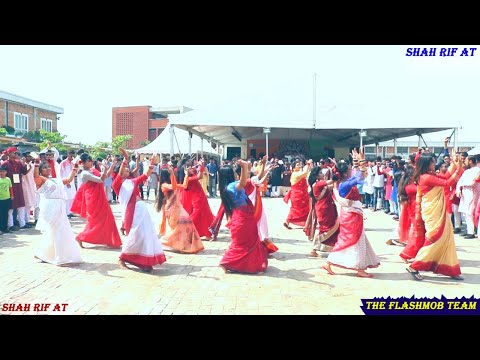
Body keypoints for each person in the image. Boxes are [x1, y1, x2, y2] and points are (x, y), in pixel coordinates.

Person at [322, 149, 380, 278]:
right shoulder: (344, 185)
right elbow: (360, 177)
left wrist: (357, 161)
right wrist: (362, 161)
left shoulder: (344, 182)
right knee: (353, 240)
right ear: (345, 172)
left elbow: (358, 175)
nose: (351, 170)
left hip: (352, 214)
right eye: (349, 169)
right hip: (351, 216)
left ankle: (332, 263)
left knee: (355, 240)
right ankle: (358, 269)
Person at [406, 152, 463, 281]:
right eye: (432, 162)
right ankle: (414, 266)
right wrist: (458, 168)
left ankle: (450, 269)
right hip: (433, 213)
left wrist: (454, 164)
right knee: (434, 238)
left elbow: (446, 176)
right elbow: (448, 182)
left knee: (446, 238)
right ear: (427, 164)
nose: (434, 164)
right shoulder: (426, 177)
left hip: (437, 212)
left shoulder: (429, 175)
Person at [112, 149, 166, 273]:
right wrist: (125, 159)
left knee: (145, 234)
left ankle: (141, 259)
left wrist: (152, 163)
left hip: (141, 210)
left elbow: (146, 175)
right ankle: (123, 258)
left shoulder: (132, 181)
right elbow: (120, 174)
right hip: (132, 212)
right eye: (125, 170)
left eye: (127, 169)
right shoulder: (117, 184)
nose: (127, 171)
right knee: (134, 234)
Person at [218, 160, 268, 274]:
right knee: (246, 242)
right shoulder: (231, 187)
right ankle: (227, 261)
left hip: (243, 217)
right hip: (242, 219)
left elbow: (248, 180)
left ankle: (229, 262)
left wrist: (248, 168)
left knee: (246, 242)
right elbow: (243, 183)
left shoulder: (228, 187)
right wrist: (244, 167)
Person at [32, 159, 82, 266]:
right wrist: (36, 164)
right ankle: (59, 257)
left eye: (48, 167)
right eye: (44, 167)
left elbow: (68, 180)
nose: (48, 169)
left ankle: (43, 253)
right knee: (56, 230)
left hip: (60, 206)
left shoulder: (55, 179)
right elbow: (35, 176)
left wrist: (75, 168)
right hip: (49, 206)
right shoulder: (41, 179)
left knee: (57, 230)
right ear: (40, 170)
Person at [70, 153, 122, 249]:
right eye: (88, 161)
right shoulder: (84, 173)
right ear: (83, 162)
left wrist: (112, 166)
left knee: (107, 218)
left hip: (100, 198)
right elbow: (100, 180)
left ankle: (108, 239)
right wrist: (105, 169)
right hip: (92, 199)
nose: (90, 162)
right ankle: (81, 237)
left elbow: (106, 176)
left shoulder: (92, 170)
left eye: (91, 161)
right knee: (95, 222)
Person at [156, 166, 204, 254]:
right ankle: (165, 242)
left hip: (178, 208)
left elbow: (184, 186)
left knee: (188, 224)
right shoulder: (164, 185)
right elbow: (174, 187)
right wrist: (172, 175)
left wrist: (186, 175)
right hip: (172, 209)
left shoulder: (172, 183)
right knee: (179, 228)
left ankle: (186, 245)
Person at [304, 166, 339, 257]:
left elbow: (331, 185)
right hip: (324, 210)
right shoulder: (318, 184)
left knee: (331, 228)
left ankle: (333, 248)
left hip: (327, 208)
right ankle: (314, 248)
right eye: (320, 173)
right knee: (325, 229)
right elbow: (331, 181)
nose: (322, 174)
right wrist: (338, 173)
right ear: (316, 176)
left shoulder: (320, 184)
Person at [183, 159, 214, 239]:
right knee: (196, 215)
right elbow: (200, 176)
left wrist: (200, 165)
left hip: (201, 197)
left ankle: (207, 233)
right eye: (189, 168)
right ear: (186, 170)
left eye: (192, 167)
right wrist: (201, 166)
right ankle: (186, 228)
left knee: (205, 215)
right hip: (197, 199)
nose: (192, 169)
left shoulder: (191, 177)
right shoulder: (188, 179)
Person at [283, 160, 311, 229]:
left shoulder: (298, 173)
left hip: (301, 195)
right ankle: (287, 221)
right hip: (297, 195)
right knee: (296, 209)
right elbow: (305, 173)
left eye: (299, 164)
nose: (299, 166)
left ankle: (306, 223)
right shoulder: (295, 174)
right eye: (297, 165)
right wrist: (308, 164)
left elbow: (306, 174)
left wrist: (309, 166)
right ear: (294, 168)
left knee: (303, 208)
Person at [59, 150, 78, 218]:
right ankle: (66, 213)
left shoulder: (73, 163)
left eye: (73, 155)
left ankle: (70, 212)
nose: (71, 156)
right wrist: (66, 182)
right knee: (66, 197)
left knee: (72, 197)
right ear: (68, 154)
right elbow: (61, 174)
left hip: (72, 182)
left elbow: (75, 172)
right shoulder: (63, 163)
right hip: (65, 182)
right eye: (70, 155)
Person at [0, 165, 13, 235]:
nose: (1, 173)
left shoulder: (8, 179)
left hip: (7, 198)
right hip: (0, 199)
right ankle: (1, 228)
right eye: (0, 171)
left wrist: (12, 195)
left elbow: (10, 188)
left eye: (3, 171)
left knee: (6, 214)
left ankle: (5, 228)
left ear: (6, 172)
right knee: (0, 214)